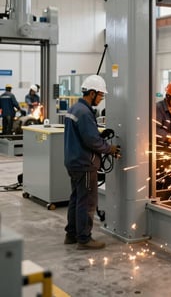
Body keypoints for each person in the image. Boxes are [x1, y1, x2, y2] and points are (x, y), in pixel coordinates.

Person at [64, 75, 120, 250]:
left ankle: (71, 234)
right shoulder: (85, 112)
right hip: (85, 164)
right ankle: (84, 239)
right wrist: (109, 149)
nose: (101, 99)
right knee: (87, 201)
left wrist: (98, 137)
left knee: (76, 199)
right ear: (92, 92)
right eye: (101, 95)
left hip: (73, 162)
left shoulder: (75, 108)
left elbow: (86, 136)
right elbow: (91, 141)